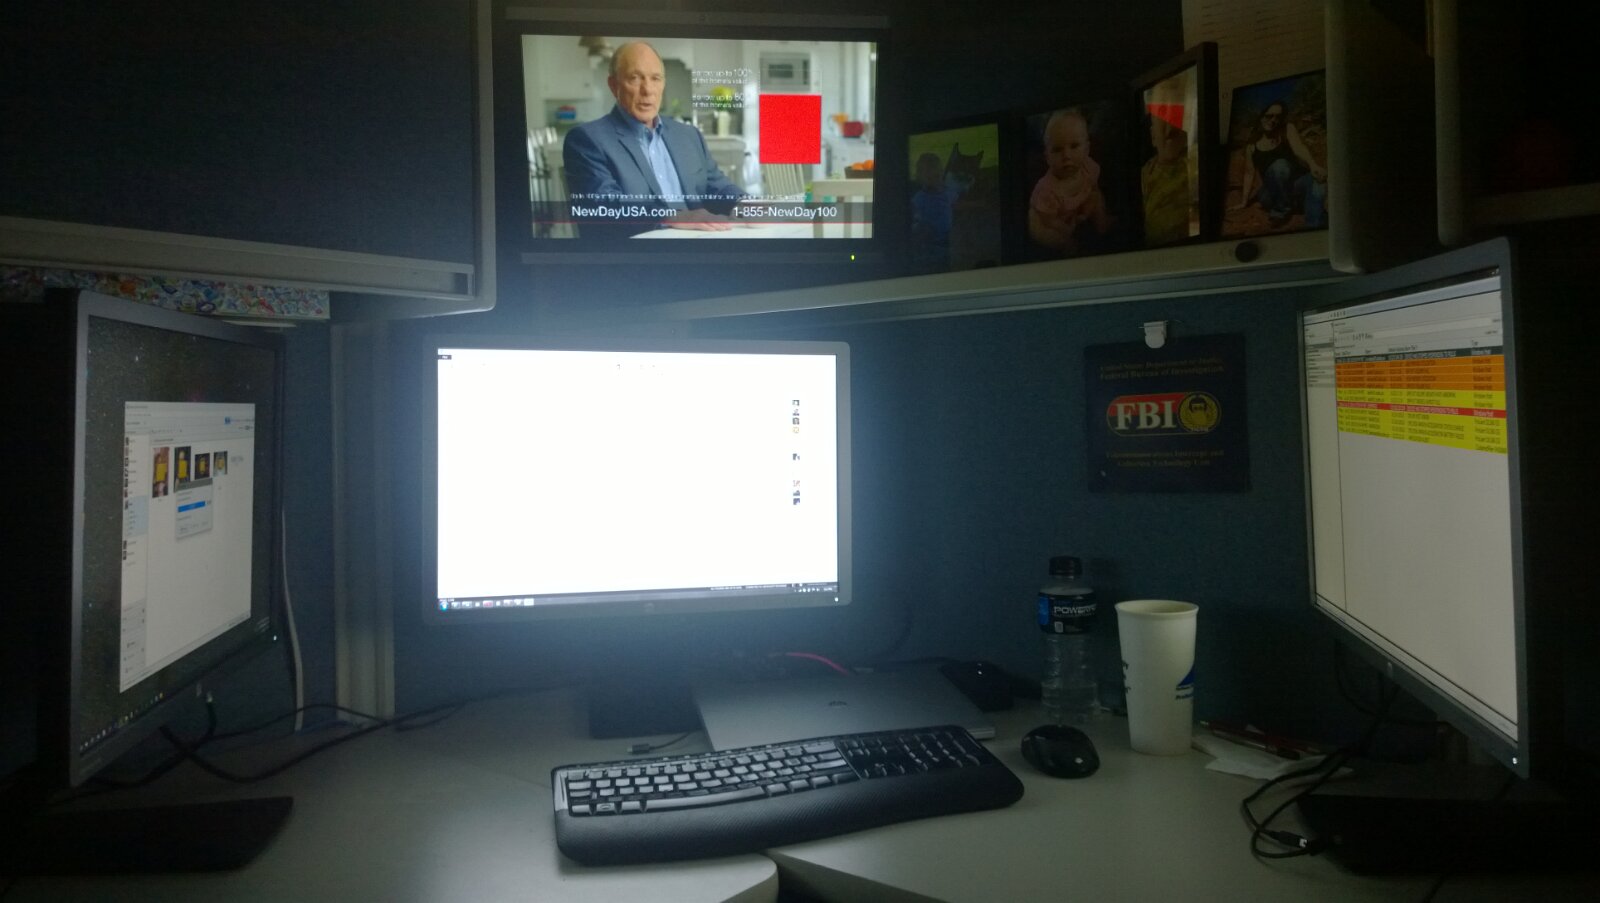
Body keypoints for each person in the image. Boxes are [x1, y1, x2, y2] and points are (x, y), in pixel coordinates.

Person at [562, 41, 744, 232]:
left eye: (655, 78)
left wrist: (747, 205)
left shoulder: (689, 135)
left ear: (663, 84)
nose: (648, 90)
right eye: (634, 78)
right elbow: (605, 206)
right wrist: (674, 216)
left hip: (701, 242)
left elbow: (718, 187)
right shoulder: (587, 139)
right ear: (613, 85)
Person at [1028, 108, 1109, 254]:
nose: (1066, 155)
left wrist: (1088, 209)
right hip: (1049, 217)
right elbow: (1048, 219)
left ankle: (1102, 222)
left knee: (1097, 197)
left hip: (1078, 207)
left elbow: (1094, 188)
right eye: (1057, 150)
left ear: (1087, 149)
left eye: (1074, 146)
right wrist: (1064, 230)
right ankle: (1064, 244)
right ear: (1047, 157)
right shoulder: (1046, 189)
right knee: (1038, 229)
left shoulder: (1088, 167)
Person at [1234, 101, 1326, 228]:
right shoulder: (1252, 145)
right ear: (1261, 117)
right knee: (1280, 165)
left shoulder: (1287, 129)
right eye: (1269, 116)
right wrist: (1244, 202)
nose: (1273, 120)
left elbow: (1299, 148)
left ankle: (1314, 225)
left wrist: (1313, 165)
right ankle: (1280, 212)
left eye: (1278, 117)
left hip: (1295, 187)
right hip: (1271, 194)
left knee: (1317, 180)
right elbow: (1249, 173)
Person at [1140, 113, 1193, 246]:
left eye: (1175, 131)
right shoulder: (1146, 171)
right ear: (1153, 137)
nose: (1169, 130)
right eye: (1163, 125)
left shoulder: (1193, 164)